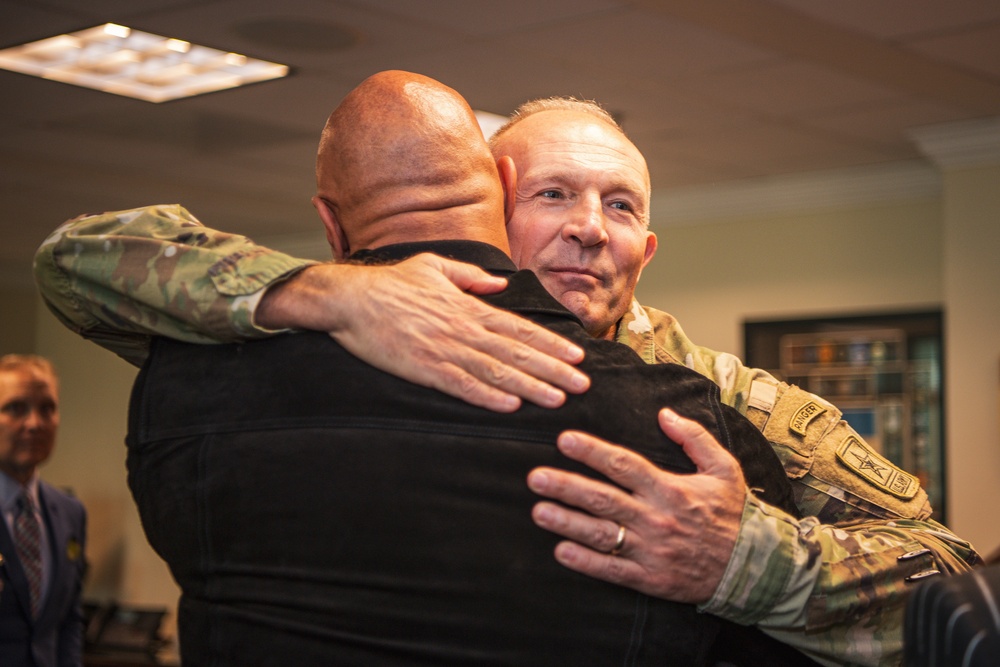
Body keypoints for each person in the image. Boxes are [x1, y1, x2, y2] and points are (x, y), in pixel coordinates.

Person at [33, 86, 979, 665]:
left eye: (619, 205)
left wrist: (747, 562)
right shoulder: (340, 332)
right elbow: (78, 262)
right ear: (488, 211)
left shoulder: (731, 405)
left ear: (645, 248)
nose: (588, 227)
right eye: (553, 194)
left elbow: (958, 585)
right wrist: (323, 295)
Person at [0, 355, 87, 667]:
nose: (35, 423)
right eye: (15, 408)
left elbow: (69, 622)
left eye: (47, 408)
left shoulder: (70, 513)